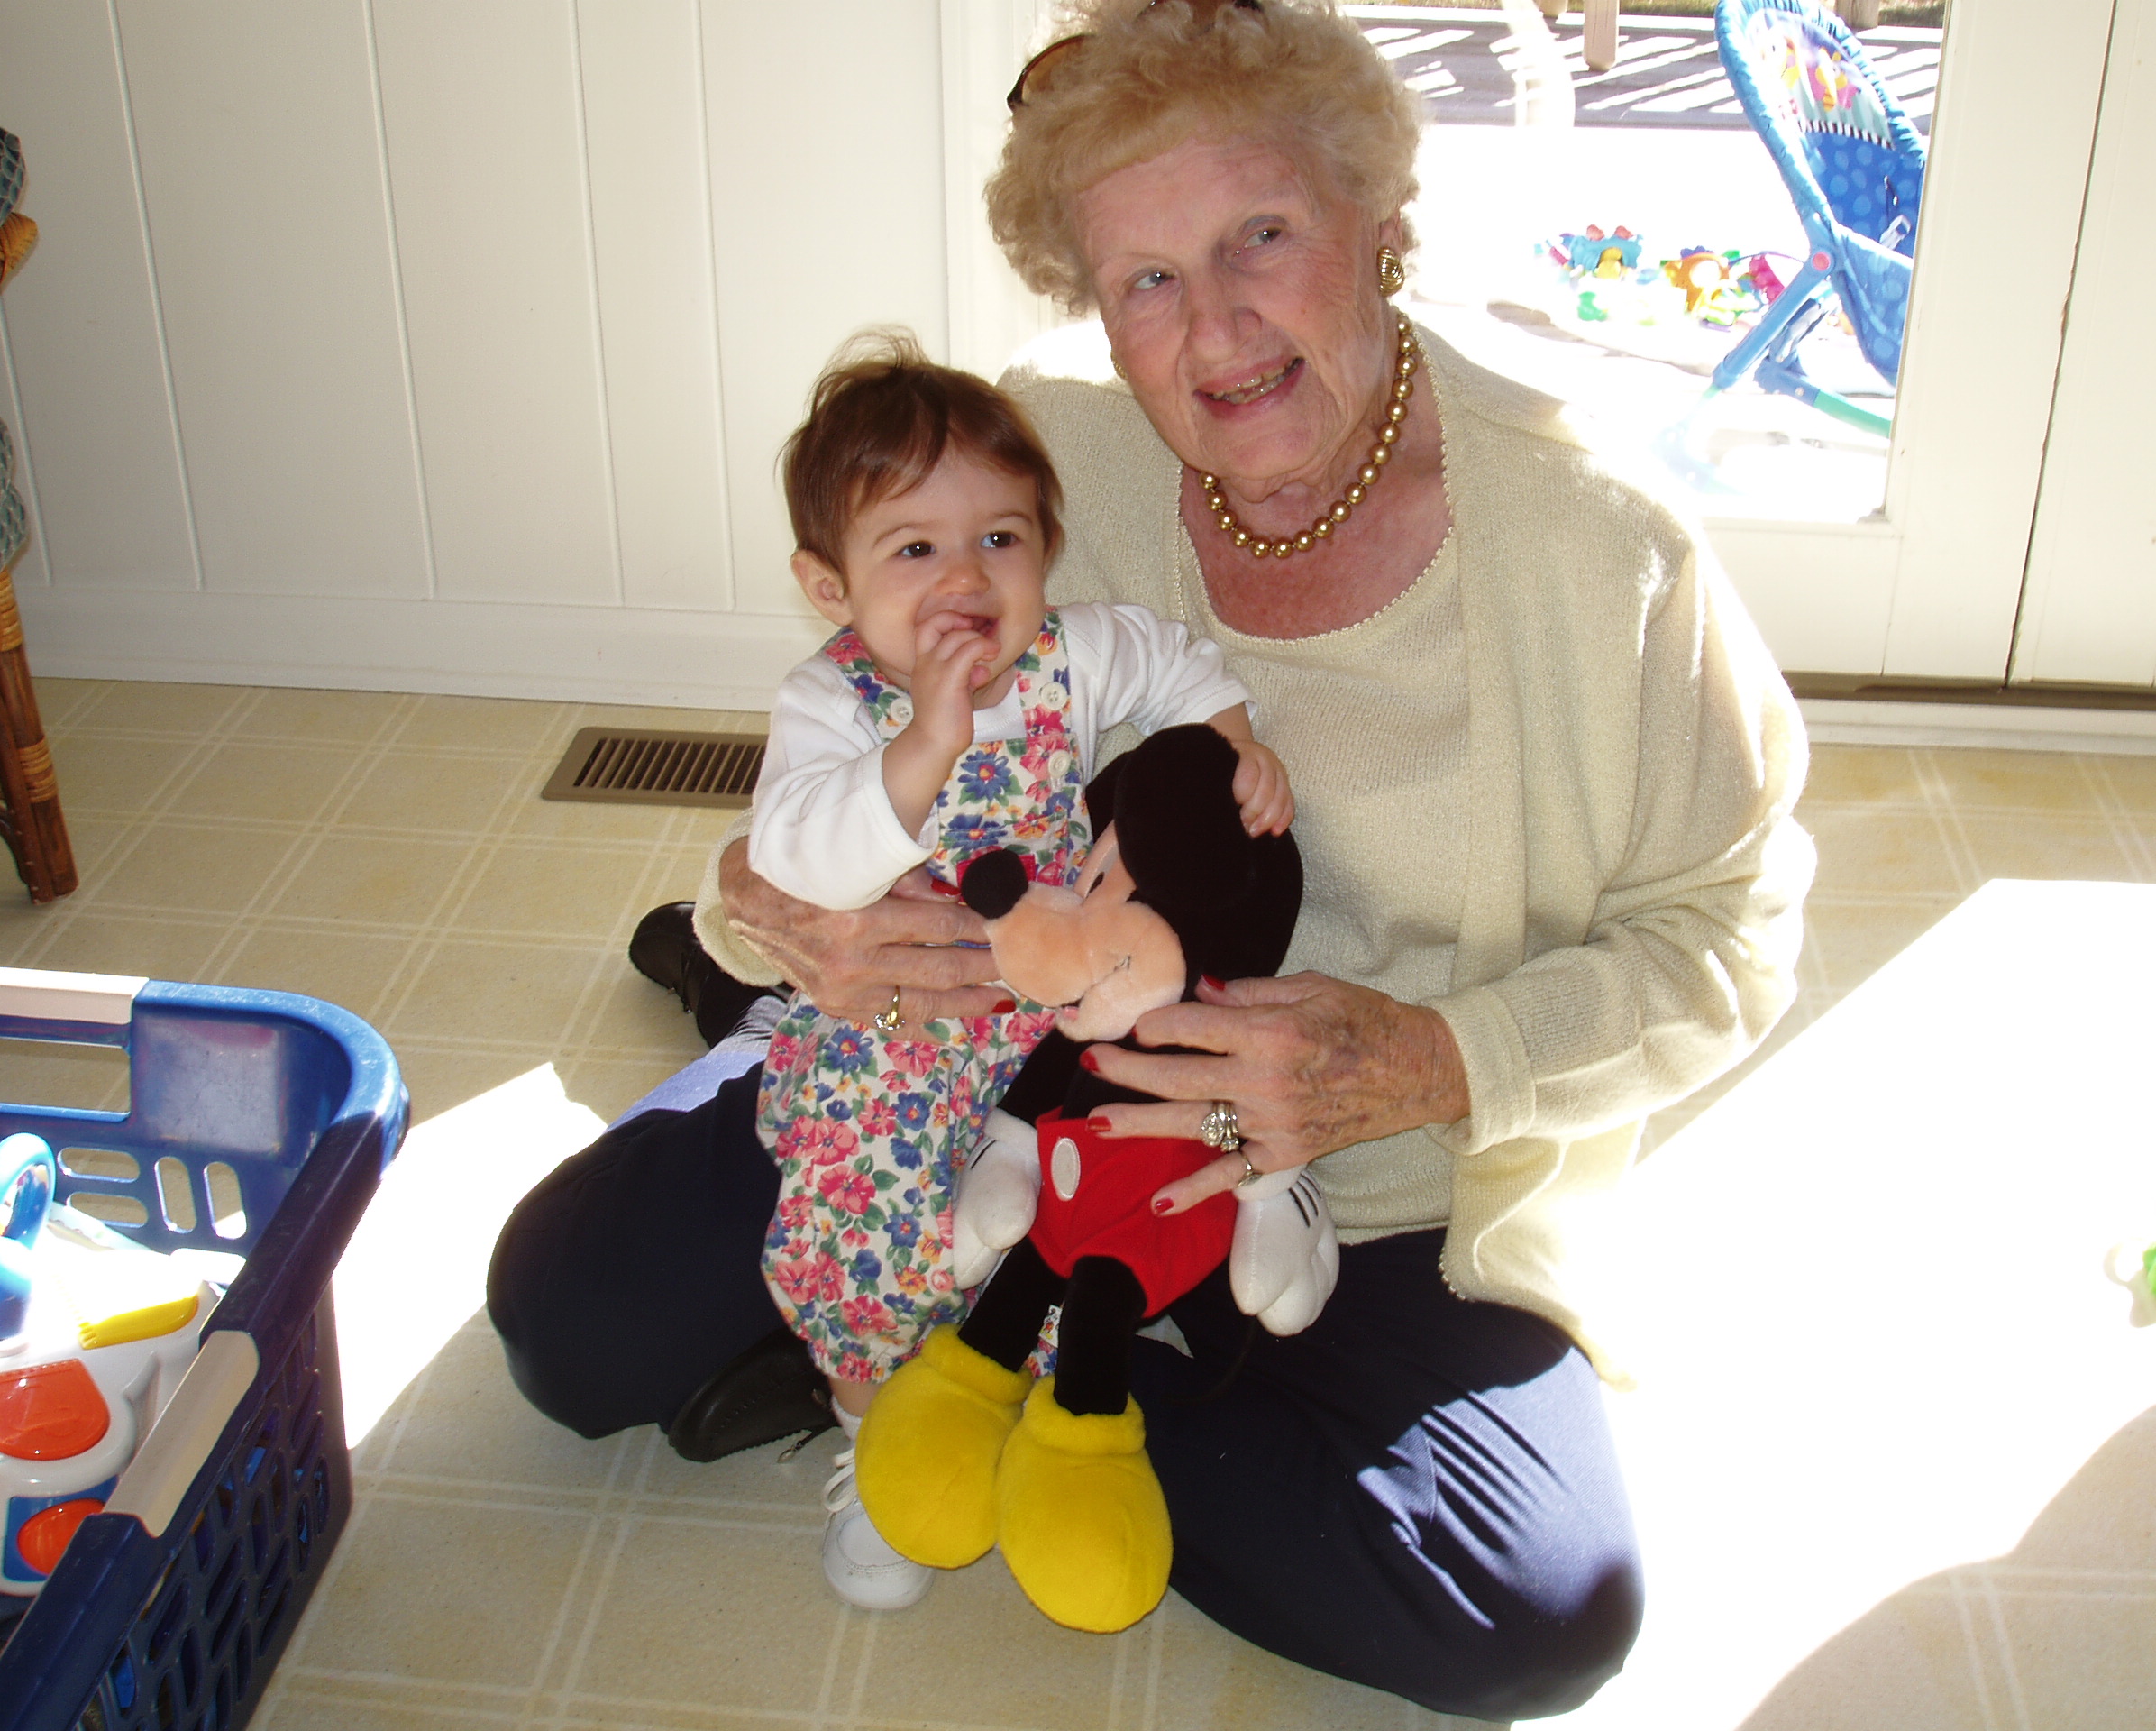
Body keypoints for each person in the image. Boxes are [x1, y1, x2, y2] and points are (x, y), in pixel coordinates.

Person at [489, 0, 1813, 1717]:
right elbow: (840, 740)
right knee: (567, 1322)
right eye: (1147, 279)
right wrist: (778, 923)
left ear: (1379, 219)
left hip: (1375, 1168)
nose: (1218, 327)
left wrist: (1432, 1059)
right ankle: (917, 1275)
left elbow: (1727, 940)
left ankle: (948, 1371)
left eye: (1263, 233)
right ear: (1094, 305)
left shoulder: (1599, 543)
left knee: (1529, 1608)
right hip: (978, 1070)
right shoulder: (1037, 452)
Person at [746, 334, 1289, 1607]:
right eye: (912, 549)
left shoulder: (1069, 657)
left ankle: (1003, 1398)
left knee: (1051, 1226)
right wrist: (923, 747)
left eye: (1001, 538)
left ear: (1046, 549)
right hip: (892, 1040)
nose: (965, 579)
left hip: (1052, 1029)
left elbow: (1175, 661)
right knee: (866, 1232)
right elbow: (799, 855)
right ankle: (876, 1439)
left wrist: (1233, 739)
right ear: (829, 586)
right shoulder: (833, 704)